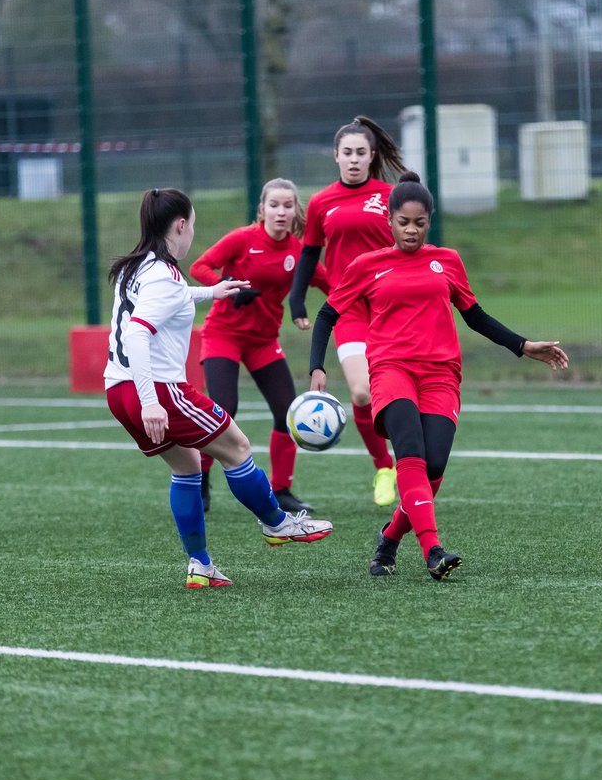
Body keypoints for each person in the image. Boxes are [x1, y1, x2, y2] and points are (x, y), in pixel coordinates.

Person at [308, 172, 569, 580]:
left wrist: (523, 346)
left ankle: (389, 540)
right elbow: (327, 314)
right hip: (391, 369)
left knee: (433, 468)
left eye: (419, 223)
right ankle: (433, 550)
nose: (410, 230)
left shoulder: (446, 260)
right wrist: (317, 367)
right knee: (409, 453)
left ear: (429, 221)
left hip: (441, 374)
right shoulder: (367, 265)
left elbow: (475, 316)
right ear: (389, 222)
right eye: (403, 222)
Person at [105, 188, 333, 590]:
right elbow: (140, 333)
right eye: (192, 225)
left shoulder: (137, 266)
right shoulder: (162, 273)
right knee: (238, 448)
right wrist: (151, 402)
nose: (193, 233)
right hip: (155, 388)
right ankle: (278, 524)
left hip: (116, 390)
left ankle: (201, 565)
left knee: (187, 466)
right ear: (179, 225)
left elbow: (163, 299)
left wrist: (211, 291)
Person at [189, 178, 330, 515]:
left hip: (264, 341)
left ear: (296, 210)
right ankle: (201, 480)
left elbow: (332, 286)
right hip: (223, 333)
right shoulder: (242, 239)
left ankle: (281, 490)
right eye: (274, 205)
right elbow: (199, 267)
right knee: (224, 408)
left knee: (288, 411)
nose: (281, 212)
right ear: (262, 209)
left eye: (287, 206)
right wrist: (227, 285)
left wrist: (364, 307)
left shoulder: (299, 251)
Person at [288, 115, 404, 508]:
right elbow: (308, 253)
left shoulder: (391, 197)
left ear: (372, 157)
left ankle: (410, 465)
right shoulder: (322, 202)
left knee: (400, 392)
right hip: (349, 306)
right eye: (347, 153)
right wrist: (297, 297)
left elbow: (411, 244)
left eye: (361, 153)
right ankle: (383, 466)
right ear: (335, 156)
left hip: (392, 306)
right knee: (361, 391)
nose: (354, 159)